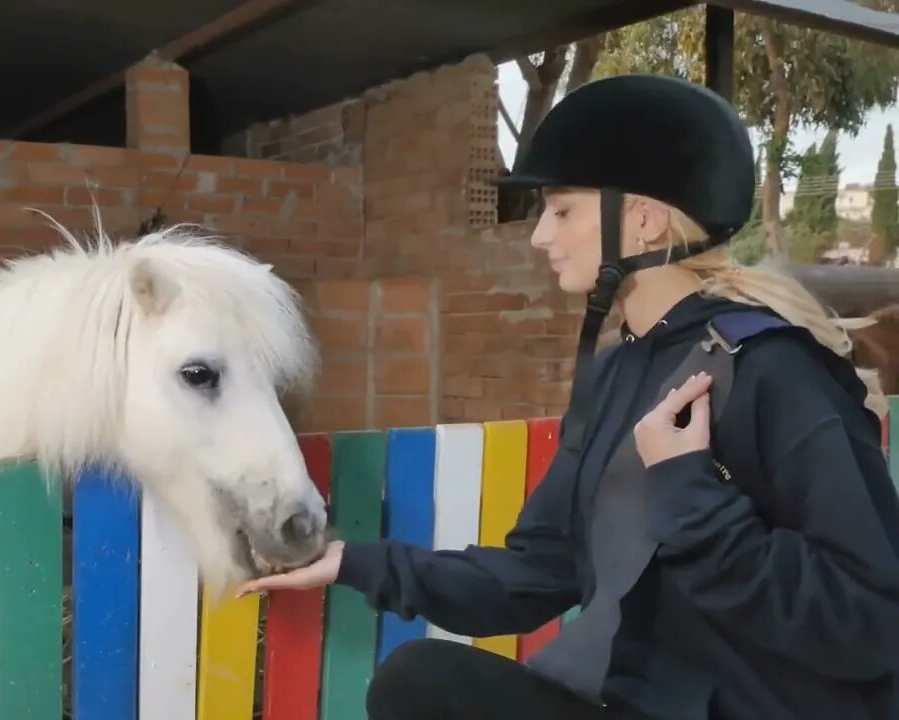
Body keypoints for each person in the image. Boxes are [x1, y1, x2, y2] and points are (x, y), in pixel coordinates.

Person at [236, 74, 899, 720]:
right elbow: (536, 575)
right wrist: (352, 561)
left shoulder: (774, 370)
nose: (539, 237)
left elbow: (872, 617)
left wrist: (695, 501)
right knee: (419, 684)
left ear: (642, 220)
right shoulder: (616, 374)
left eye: (562, 211)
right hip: (621, 699)